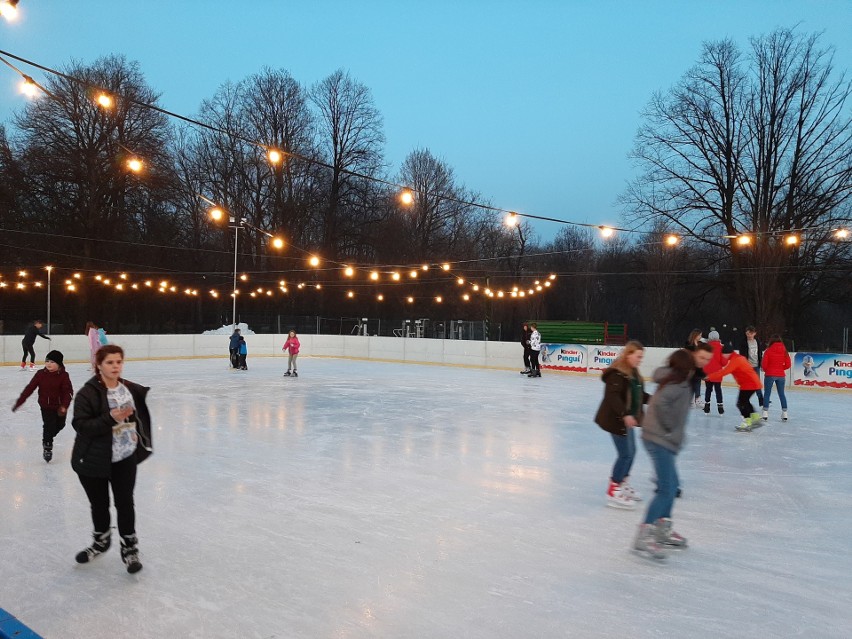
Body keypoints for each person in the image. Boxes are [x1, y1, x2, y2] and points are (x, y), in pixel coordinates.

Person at [72, 344, 152, 574]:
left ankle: (129, 548)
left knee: (125, 503)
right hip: (94, 459)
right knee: (99, 504)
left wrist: (136, 434)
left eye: (119, 362)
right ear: (99, 365)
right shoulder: (88, 393)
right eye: (110, 362)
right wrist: (110, 417)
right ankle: (101, 541)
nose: (115, 366)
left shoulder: (126, 389)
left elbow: (134, 416)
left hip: (125, 457)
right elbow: (81, 426)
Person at [633, 349, 698, 560]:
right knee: (666, 489)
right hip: (658, 439)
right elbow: (659, 404)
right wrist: (671, 427)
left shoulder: (676, 380)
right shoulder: (677, 384)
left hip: (661, 439)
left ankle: (662, 528)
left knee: (669, 489)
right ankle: (645, 535)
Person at [594, 340, 649, 509]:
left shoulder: (632, 372)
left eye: (641, 357)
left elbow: (639, 394)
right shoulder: (617, 373)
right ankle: (613, 489)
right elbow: (613, 397)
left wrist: (655, 400)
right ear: (628, 354)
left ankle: (622, 483)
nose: (640, 359)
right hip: (616, 419)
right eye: (638, 356)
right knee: (625, 454)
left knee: (631, 452)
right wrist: (625, 415)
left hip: (627, 419)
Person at [12, 350, 73, 462]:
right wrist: (20, 401)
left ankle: (48, 436)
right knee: (49, 426)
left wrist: (64, 405)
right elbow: (30, 388)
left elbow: (68, 392)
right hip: (46, 406)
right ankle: (47, 446)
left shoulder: (64, 376)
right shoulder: (41, 374)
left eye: (52, 362)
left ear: (59, 364)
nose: (48, 364)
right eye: (47, 361)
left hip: (59, 407)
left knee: (61, 425)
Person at [704, 343, 763, 432]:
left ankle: (747, 422)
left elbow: (724, 372)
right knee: (745, 402)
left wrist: (709, 376)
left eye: (723, 354)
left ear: (727, 353)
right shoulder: (738, 358)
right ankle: (755, 418)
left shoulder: (736, 360)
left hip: (749, 384)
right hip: (751, 383)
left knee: (741, 403)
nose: (723, 356)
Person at [761, 335, 791, 422]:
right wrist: (781, 369)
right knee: (781, 394)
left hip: (770, 374)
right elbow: (788, 364)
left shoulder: (768, 351)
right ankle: (785, 413)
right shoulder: (784, 351)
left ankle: (765, 412)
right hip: (781, 375)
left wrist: (767, 370)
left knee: (767, 393)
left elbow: (764, 365)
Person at [737, 326, 764, 407]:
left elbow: (760, 353)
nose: (749, 335)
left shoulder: (757, 341)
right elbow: (741, 355)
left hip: (756, 366)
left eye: (751, 333)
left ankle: (761, 399)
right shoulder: (743, 342)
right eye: (747, 333)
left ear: (754, 333)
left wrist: (761, 363)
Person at [702, 329, 724, 415]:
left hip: (707, 372)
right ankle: (720, 407)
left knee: (708, 389)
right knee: (718, 389)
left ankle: (707, 407)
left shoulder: (705, 347)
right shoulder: (721, 348)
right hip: (717, 373)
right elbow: (723, 362)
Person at [684, 329, 706, 408]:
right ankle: (690, 400)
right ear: (695, 335)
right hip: (690, 367)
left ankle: (698, 399)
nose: (701, 336)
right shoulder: (688, 344)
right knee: (690, 383)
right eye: (700, 335)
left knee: (697, 382)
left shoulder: (700, 344)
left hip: (699, 367)